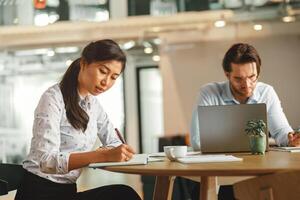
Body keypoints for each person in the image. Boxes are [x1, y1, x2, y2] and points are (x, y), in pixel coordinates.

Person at [15, 39, 142, 200]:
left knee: (123, 194)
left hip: (66, 192)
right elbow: (47, 161)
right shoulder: (53, 98)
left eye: (114, 77)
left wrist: (116, 151)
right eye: (103, 71)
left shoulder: (93, 104)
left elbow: (114, 142)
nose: (106, 82)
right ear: (83, 63)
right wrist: (102, 155)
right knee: (124, 195)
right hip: (39, 192)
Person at [189, 43, 300, 200]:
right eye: (238, 78)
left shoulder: (266, 92)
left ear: (258, 73)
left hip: (257, 174)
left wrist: (290, 139)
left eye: (251, 77)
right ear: (227, 75)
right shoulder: (209, 93)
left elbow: (282, 132)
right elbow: (197, 141)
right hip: (219, 173)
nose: (247, 85)